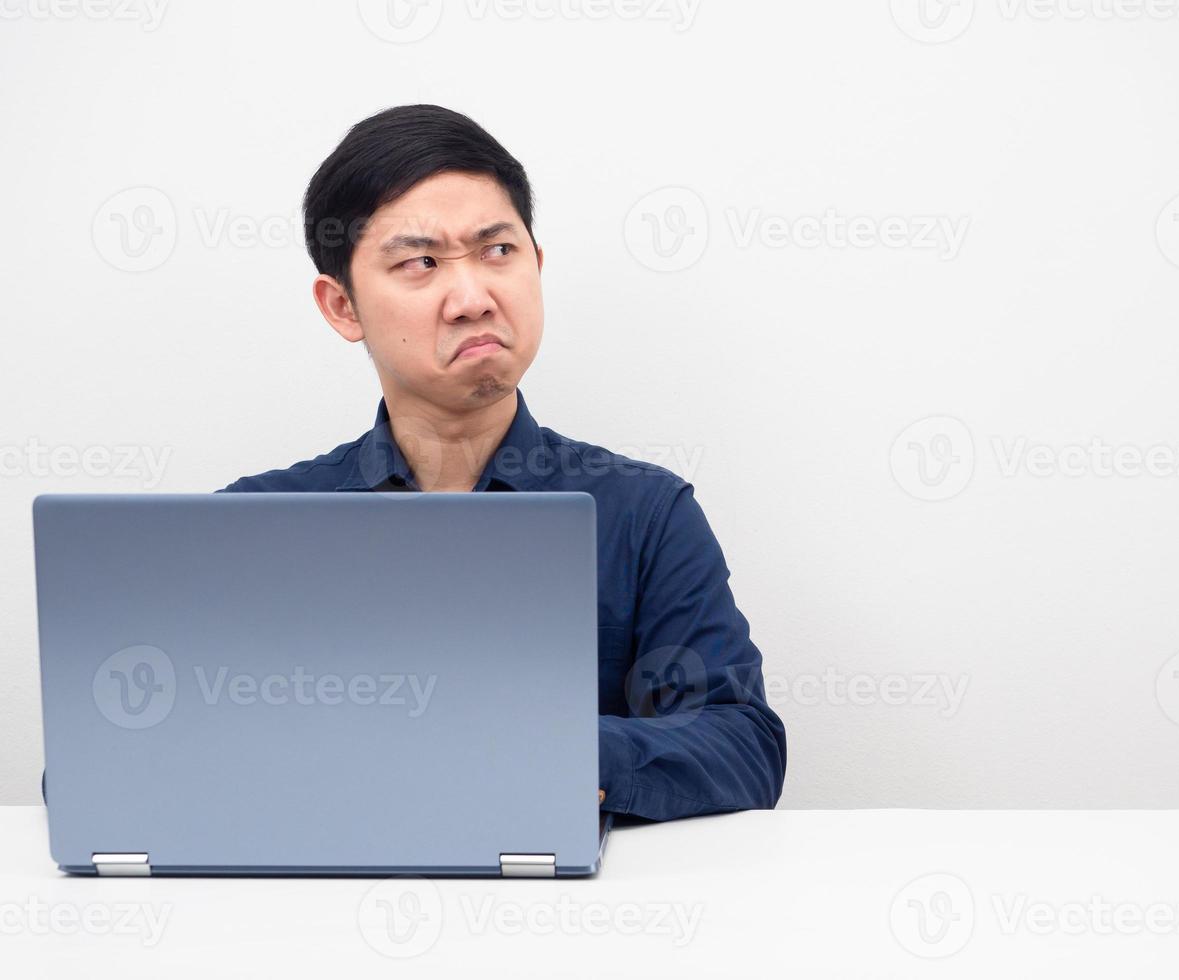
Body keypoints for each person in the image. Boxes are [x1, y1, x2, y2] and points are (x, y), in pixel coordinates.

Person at [215, 104, 786, 822]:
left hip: (571, 915)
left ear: (536, 265)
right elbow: (107, 758)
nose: (472, 298)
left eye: (497, 251)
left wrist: (541, 749)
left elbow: (742, 745)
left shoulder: (643, 514)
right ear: (342, 306)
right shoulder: (253, 525)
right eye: (420, 263)